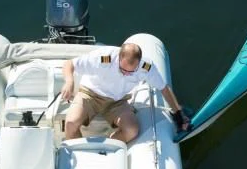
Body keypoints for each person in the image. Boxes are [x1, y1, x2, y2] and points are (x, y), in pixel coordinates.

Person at [60, 42, 190, 142]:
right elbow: (69, 64)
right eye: (123, 69)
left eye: (131, 71)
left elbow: (164, 88)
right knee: (71, 123)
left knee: (132, 130)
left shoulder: (146, 67)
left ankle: (107, 147)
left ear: (139, 63)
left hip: (117, 101)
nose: (126, 74)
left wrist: (178, 114)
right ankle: (77, 153)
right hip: (90, 95)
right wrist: (69, 81)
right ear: (119, 57)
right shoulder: (104, 57)